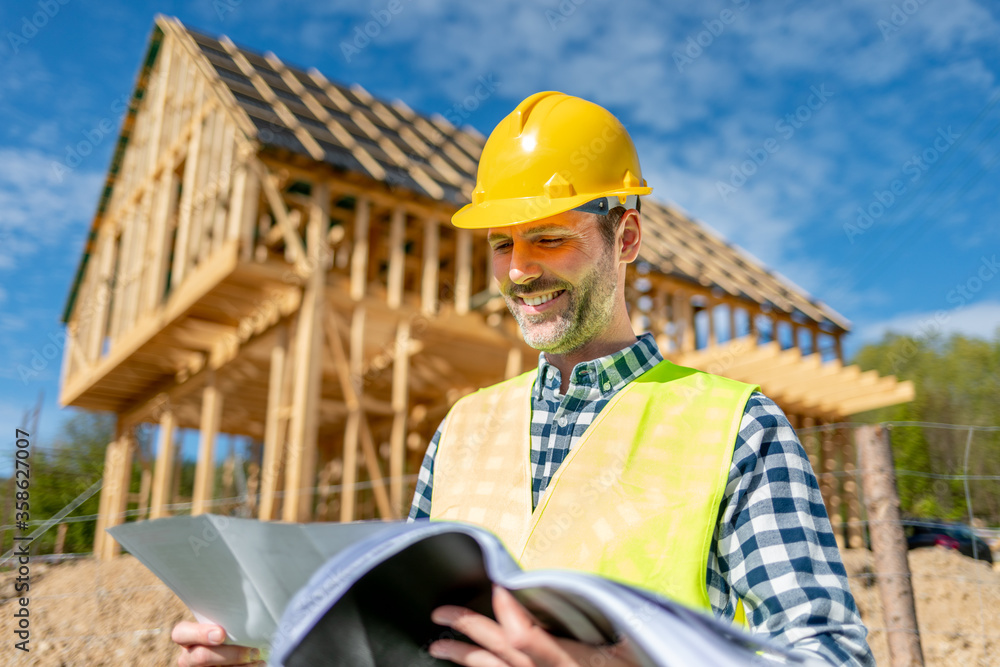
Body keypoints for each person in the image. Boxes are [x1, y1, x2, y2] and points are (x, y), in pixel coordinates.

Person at [172, 91, 874, 667]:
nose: (517, 270)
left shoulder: (736, 426)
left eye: (549, 237)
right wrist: (268, 649)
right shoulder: (462, 430)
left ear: (625, 238)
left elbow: (833, 654)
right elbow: (407, 645)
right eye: (502, 243)